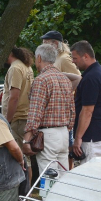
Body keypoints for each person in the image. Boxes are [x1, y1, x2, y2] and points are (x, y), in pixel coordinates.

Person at [23, 44, 75, 173]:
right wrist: (67, 129)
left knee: (49, 179)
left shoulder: (41, 80)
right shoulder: (65, 80)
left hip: (48, 135)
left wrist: (26, 139)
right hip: (64, 133)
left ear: (39, 58)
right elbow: (72, 110)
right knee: (63, 179)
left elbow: (35, 113)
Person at [41, 30, 81, 169]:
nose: (43, 46)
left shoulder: (63, 58)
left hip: (62, 112)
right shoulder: (56, 58)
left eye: (46, 43)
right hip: (58, 114)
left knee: (66, 154)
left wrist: (66, 94)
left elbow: (78, 77)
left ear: (55, 43)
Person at [70, 40, 101, 163]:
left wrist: (78, 138)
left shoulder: (91, 78)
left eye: (75, 58)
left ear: (86, 56)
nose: (73, 61)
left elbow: (87, 111)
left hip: (92, 136)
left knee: (91, 175)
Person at [2, 46, 34, 184]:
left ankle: (23, 193)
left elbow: (14, 97)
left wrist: (7, 120)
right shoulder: (26, 67)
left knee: (19, 156)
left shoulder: (15, 68)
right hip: (24, 115)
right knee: (25, 158)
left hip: (18, 118)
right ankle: (25, 193)